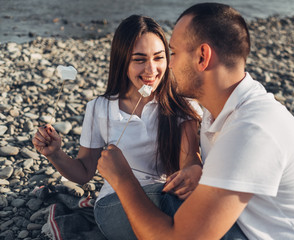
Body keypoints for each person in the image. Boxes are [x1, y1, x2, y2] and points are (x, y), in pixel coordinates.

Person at [97, 3, 294, 240]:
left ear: (202, 57)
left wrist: (122, 179)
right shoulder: (218, 112)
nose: (169, 65)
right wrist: (196, 166)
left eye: (172, 53)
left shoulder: (251, 129)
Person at [32, 15, 203, 239]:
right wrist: (55, 154)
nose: (151, 69)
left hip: (166, 194)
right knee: (173, 202)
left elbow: (189, 160)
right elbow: (84, 172)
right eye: (139, 60)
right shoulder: (100, 108)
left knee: (182, 197)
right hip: (115, 204)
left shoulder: (182, 105)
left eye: (159, 58)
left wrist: (193, 172)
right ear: (123, 61)